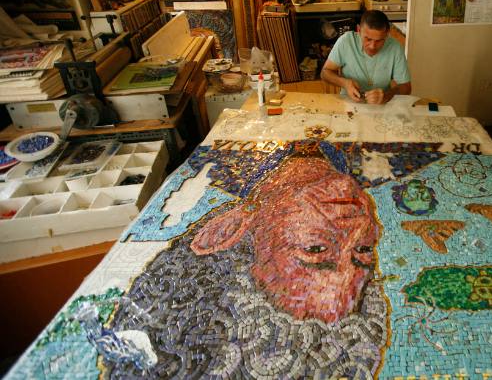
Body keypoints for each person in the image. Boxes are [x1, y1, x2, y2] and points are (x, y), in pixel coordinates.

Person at [107, 156, 388, 378]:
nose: (343, 295)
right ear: (246, 239)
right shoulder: (173, 328)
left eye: (363, 251)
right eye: (314, 250)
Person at [321, 10, 411, 104]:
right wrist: (345, 83)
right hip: (349, 103)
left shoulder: (395, 47)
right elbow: (325, 73)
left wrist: (386, 96)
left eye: (379, 40)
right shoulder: (346, 41)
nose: (372, 46)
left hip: (380, 105)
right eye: (368, 39)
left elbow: (406, 87)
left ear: (387, 33)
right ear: (359, 30)